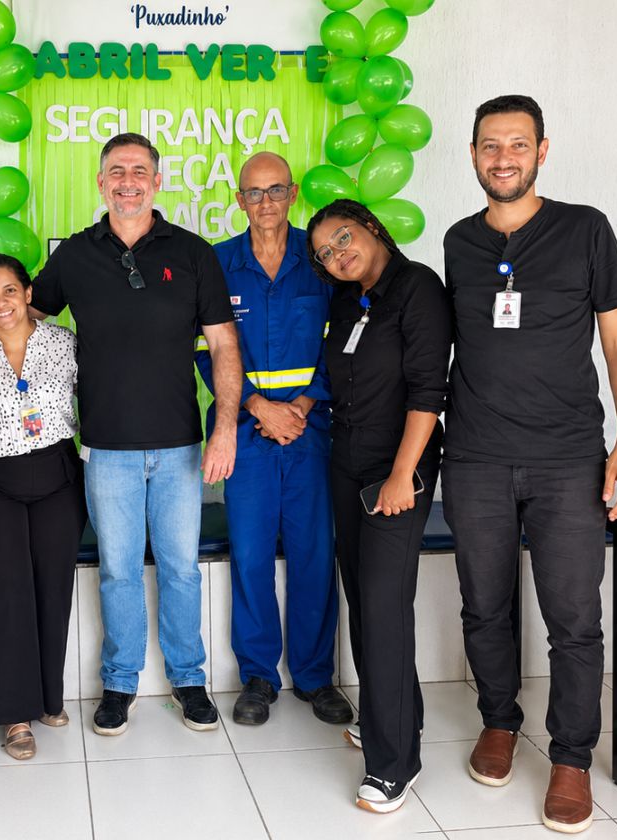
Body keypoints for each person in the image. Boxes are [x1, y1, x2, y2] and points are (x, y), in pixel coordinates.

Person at [443, 94, 617, 834]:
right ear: (472, 154)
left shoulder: (585, 229)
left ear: (542, 151)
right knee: (483, 606)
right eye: (490, 146)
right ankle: (499, 721)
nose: (504, 158)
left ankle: (570, 758)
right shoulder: (458, 242)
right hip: (475, 456)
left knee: (574, 619)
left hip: (567, 459)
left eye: (518, 144)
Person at [12, 132, 243, 735]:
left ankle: (189, 680)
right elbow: (21, 316)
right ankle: (119, 682)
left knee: (180, 569)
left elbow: (224, 345)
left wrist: (224, 429)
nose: (128, 181)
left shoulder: (193, 253)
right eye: (117, 171)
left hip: (180, 447)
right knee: (117, 570)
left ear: (157, 182)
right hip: (106, 448)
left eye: (140, 171)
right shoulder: (75, 255)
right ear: (101, 182)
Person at [195, 152, 350, 728]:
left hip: (311, 431)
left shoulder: (323, 258)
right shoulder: (218, 263)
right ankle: (258, 676)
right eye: (254, 192)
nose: (265, 202)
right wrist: (258, 407)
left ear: (293, 193)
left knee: (314, 555)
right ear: (240, 200)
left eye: (276, 190)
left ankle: (315, 676)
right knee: (251, 556)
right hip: (247, 432)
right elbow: (205, 351)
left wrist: (302, 407)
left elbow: (344, 343)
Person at [307, 199, 450, 813]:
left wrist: (401, 476)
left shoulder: (417, 287)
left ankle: (395, 764)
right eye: (324, 253)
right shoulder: (347, 300)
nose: (337, 255)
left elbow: (428, 392)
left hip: (399, 465)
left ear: (370, 226)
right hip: (346, 459)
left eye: (342, 238)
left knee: (386, 604)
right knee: (364, 599)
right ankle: (391, 719)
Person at [0, 253, 86, 760]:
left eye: (10, 290)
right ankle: (15, 715)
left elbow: (103, 397)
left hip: (57, 476)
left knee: (53, 588)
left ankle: (49, 698)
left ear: (29, 294)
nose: (1, 302)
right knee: (4, 593)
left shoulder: (65, 343)